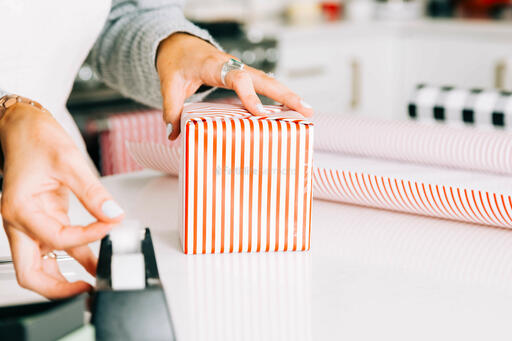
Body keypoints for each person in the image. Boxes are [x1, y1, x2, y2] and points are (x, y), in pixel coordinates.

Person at [0, 0, 313, 299]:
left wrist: (176, 45)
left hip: (59, 191)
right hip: (33, 150)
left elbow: (122, 14)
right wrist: (8, 113)